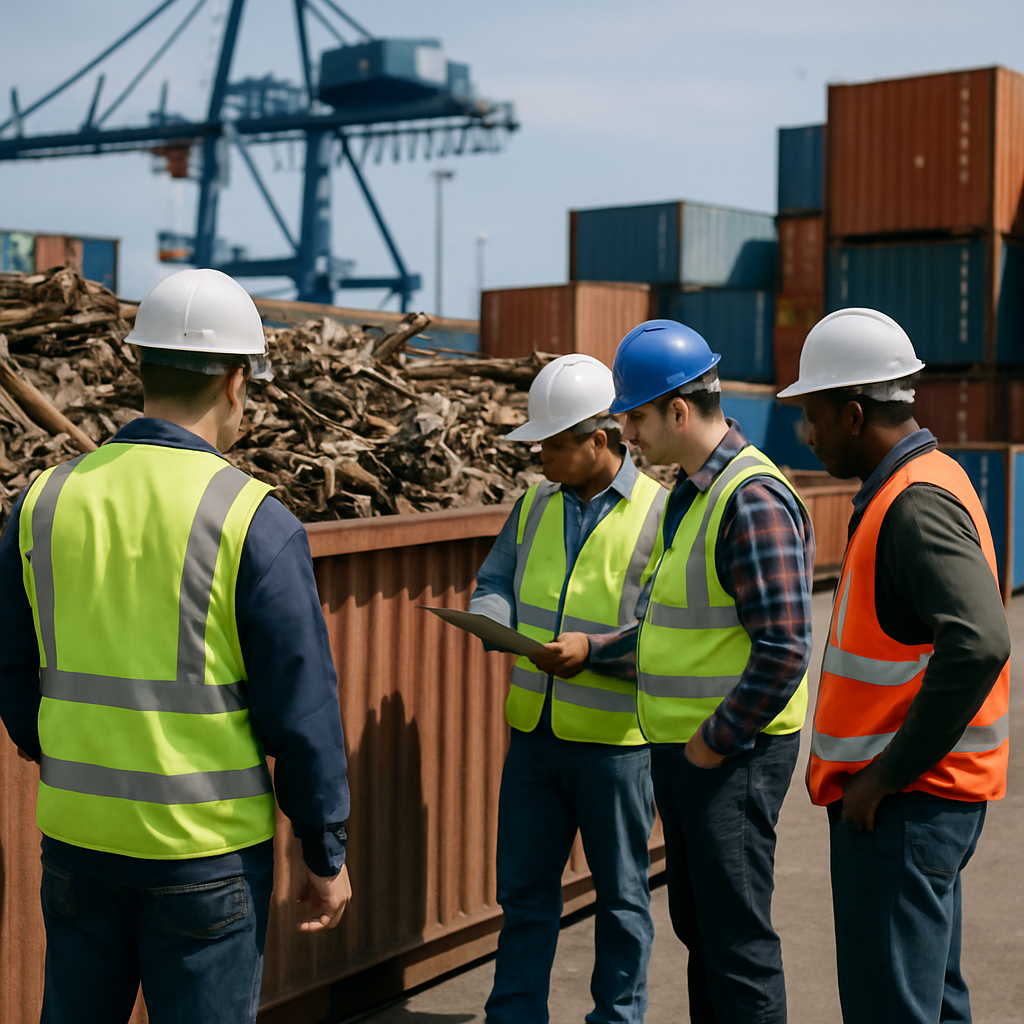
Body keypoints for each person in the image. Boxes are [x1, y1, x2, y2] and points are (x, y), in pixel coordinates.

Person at [0, 268, 352, 1024]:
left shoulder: (44, 501)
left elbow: (12, 665)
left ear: (142, 369)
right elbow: (303, 713)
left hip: (77, 842)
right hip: (205, 856)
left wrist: (51, 742)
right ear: (235, 382)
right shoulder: (254, 520)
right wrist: (324, 852)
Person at [550, 320, 815, 1023]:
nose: (626, 433)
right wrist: (597, 650)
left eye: (633, 415)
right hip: (692, 756)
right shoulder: (692, 494)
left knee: (737, 946)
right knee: (705, 936)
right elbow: (676, 632)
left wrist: (713, 742)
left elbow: (785, 646)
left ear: (676, 408)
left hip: (733, 758)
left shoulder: (750, 499)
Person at [777, 307, 1010, 1024]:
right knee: (931, 1004)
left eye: (813, 415)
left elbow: (979, 642)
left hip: (907, 804)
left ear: (852, 414)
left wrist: (883, 777)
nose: (806, 433)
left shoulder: (913, 505)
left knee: (894, 1009)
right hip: (922, 802)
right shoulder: (922, 482)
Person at [469, 353, 667, 1024]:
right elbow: (494, 582)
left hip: (616, 747)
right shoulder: (532, 506)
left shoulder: (661, 516)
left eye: (555, 443)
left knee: (621, 899)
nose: (542, 457)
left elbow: (673, 636)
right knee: (524, 897)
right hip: (534, 739)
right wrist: (494, 623)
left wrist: (595, 651)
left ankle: (617, 1019)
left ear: (601, 439)